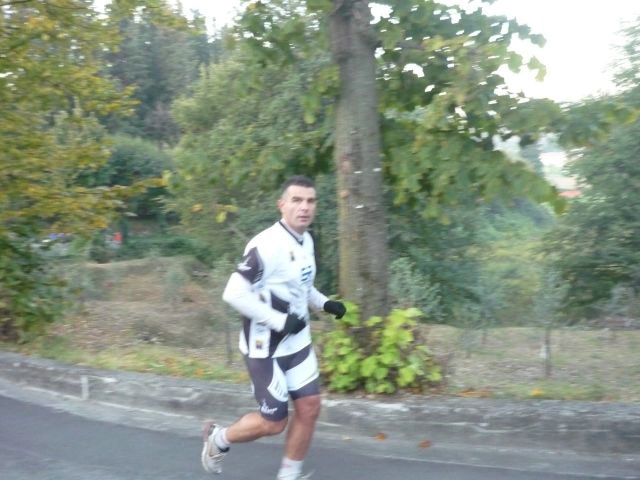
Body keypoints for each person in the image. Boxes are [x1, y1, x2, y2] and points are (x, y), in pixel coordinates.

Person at [201, 175, 346, 480]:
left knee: (310, 407)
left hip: (298, 343)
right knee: (274, 423)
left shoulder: (306, 240)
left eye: (310, 201)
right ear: (282, 205)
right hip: (265, 348)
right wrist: (279, 321)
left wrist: (325, 304)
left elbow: (301, 287)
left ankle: (288, 476)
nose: (304, 207)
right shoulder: (267, 244)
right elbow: (233, 293)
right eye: (297, 200)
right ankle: (219, 438)